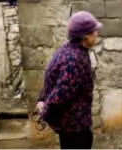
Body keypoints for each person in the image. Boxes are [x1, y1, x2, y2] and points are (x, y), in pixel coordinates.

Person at [35, 11, 103, 149]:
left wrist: (42, 99)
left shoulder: (69, 49)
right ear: (85, 36)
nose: (97, 34)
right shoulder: (74, 60)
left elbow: (51, 77)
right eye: (94, 31)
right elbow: (61, 93)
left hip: (74, 122)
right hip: (74, 126)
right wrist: (45, 111)